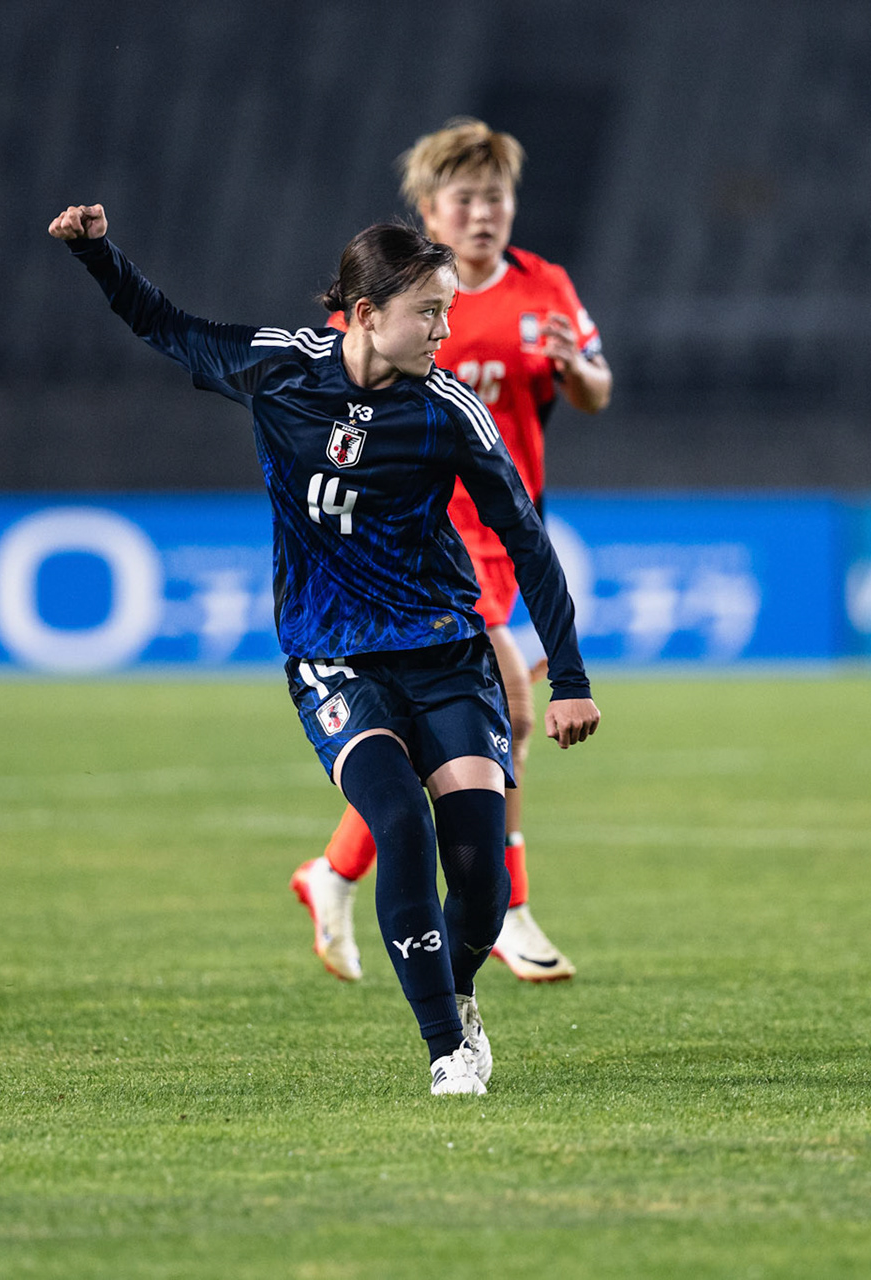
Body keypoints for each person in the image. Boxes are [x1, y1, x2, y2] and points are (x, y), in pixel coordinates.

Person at [48, 203, 601, 1095]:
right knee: (398, 824)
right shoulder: (277, 368)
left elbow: (527, 542)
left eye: (450, 312)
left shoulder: (448, 411)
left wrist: (569, 676)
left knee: (482, 883)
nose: (444, 329)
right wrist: (96, 252)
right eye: (429, 312)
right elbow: (166, 325)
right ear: (367, 312)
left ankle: (457, 993)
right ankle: (446, 1050)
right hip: (333, 656)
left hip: (445, 649)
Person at [291, 119, 610, 986]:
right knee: (507, 691)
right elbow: (328, 383)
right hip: (417, 533)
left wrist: (574, 372)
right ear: (429, 208)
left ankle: (332, 871)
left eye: (496, 197)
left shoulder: (545, 286)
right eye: (464, 198)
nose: (482, 213)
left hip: (504, 532)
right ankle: (507, 902)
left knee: (447, 720)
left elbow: (597, 385)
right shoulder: (395, 298)